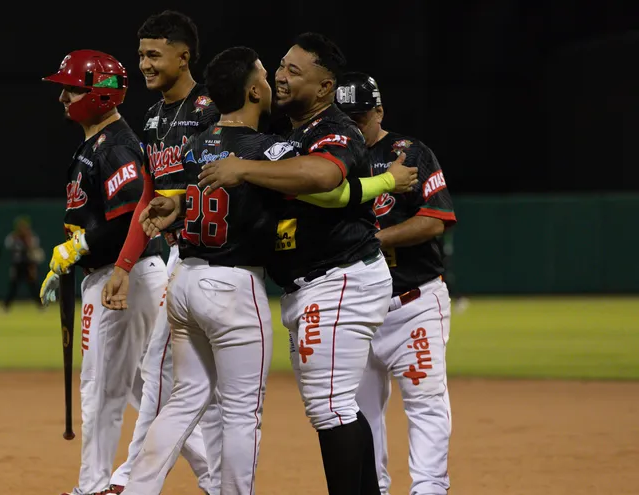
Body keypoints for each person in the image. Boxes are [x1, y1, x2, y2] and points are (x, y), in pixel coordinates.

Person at [197, 33, 417, 494]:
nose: (279, 75)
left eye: (295, 71)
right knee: (336, 407)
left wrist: (243, 169)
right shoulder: (287, 136)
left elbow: (324, 173)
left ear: (324, 87)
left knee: (328, 407)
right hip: (313, 284)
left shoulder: (334, 127)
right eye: (280, 65)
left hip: (339, 276)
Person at [100, 10, 221, 495]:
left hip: (215, 256)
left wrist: (183, 201)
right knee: (187, 384)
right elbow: (148, 198)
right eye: (141, 54)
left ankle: (131, 478)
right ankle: (217, 483)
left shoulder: (210, 107)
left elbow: (219, 181)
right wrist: (124, 265)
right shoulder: (152, 118)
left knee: (162, 372)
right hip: (179, 256)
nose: (144, 63)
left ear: (183, 54)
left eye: (154, 54)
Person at [38, 49, 168, 495]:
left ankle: (92, 487)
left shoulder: (116, 145)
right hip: (118, 273)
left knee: (101, 391)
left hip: (123, 274)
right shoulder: (96, 143)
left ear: (98, 94)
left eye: (71, 89)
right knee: (142, 390)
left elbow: (133, 214)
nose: (63, 98)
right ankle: (196, 476)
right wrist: (78, 249)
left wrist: (80, 245)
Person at [338, 72, 457, 495]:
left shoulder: (409, 153)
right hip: (355, 308)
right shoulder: (333, 160)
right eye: (345, 116)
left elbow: (434, 221)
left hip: (413, 304)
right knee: (358, 412)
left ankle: (428, 488)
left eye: (361, 115)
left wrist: (372, 240)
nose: (354, 124)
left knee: (425, 405)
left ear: (379, 111)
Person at [3, 215, 43, 311]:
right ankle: (6, 306)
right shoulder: (12, 237)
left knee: (33, 286)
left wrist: (33, 266)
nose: (22, 228)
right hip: (17, 265)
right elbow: (7, 245)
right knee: (13, 286)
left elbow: (35, 251)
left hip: (28, 264)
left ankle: (40, 305)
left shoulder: (31, 237)